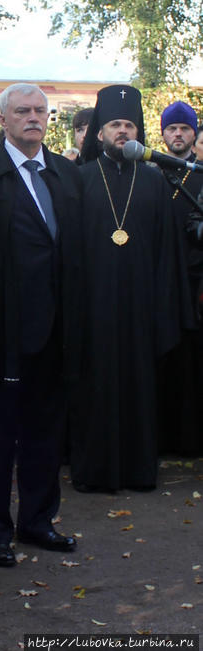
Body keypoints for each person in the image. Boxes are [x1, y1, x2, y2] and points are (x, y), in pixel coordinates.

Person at [0, 83, 82, 568]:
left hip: (56, 330)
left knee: (45, 432)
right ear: (3, 120)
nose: (34, 118)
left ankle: (38, 520)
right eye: (23, 111)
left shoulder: (65, 174)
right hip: (1, 331)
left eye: (40, 111)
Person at [72, 85, 186, 492]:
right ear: (98, 133)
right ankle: (95, 470)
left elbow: (168, 254)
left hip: (141, 306)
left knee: (140, 386)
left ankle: (138, 470)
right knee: (95, 386)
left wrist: (163, 308)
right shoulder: (79, 180)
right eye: (114, 124)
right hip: (92, 305)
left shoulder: (156, 182)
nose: (122, 131)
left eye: (129, 125)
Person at [156, 101, 203, 456]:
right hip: (159, 283)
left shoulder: (200, 175)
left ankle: (190, 440)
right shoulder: (152, 173)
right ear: (163, 133)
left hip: (194, 283)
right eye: (172, 129)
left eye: (184, 129)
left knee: (192, 363)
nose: (178, 134)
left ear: (194, 134)